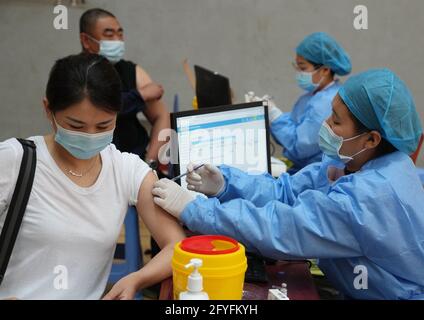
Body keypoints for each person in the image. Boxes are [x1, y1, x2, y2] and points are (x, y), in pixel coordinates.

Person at [152, 69, 424, 299]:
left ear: (372, 139)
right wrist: (226, 184)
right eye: (331, 114)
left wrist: (195, 209)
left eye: (337, 122)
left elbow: (278, 228)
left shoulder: (369, 197)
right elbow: (285, 191)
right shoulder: (351, 161)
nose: (326, 124)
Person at [0, 54, 185, 300]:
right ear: (48, 110)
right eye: (76, 126)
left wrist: (137, 278)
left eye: (103, 126)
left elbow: (177, 246)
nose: (89, 135)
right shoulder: (15, 160)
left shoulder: (125, 169)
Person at [79, 8, 169, 167]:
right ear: (86, 41)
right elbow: (93, 110)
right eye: (108, 34)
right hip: (92, 164)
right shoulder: (75, 72)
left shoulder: (130, 70)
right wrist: (140, 95)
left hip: (135, 161)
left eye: (120, 34)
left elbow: (162, 116)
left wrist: (150, 163)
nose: (117, 40)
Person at [259, 32, 352, 173]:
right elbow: (292, 130)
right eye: (297, 67)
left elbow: (299, 147)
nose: (299, 73)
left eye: (303, 68)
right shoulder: (310, 97)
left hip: (316, 175)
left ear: (325, 70)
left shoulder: (327, 102)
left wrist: (275, 116)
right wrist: (271, 117)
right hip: (302, 170)